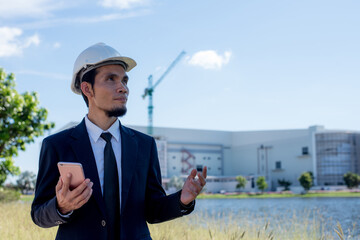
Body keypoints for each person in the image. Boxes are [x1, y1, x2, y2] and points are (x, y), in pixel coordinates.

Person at [31, 43, 207, 240]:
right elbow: (39, 215)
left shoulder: (145, 145)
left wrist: (182, 200)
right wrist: (61, 207)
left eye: (124, 80)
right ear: (87, 88)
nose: (123, 88)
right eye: (111, 79)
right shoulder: (56, 145)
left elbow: (153, 210)